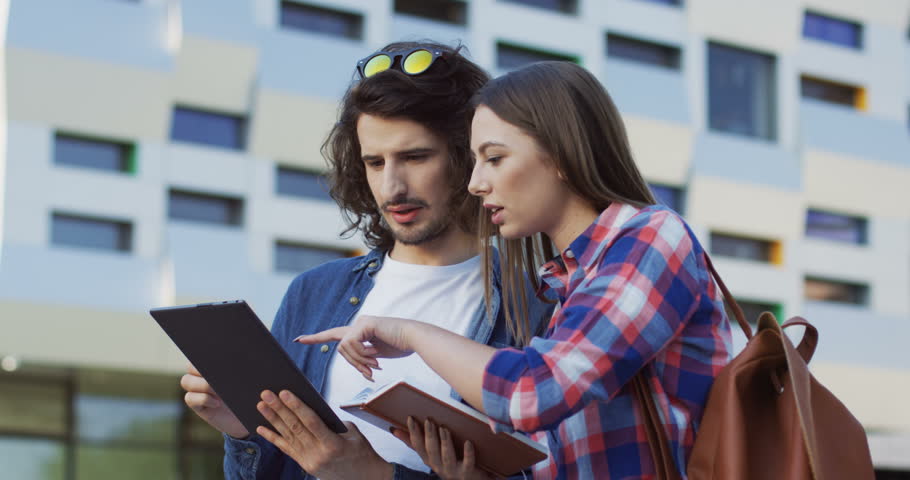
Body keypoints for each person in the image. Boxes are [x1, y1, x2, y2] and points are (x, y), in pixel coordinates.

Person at [299, 61, 733, 480]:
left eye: (495, 158)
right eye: (474, 160)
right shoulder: (565, 286)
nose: (475, 183)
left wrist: (409, 333)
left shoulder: (653, 239)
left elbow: (535, 392)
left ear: (561, 154)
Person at [179, 42, 552, 480]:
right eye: (374, 162)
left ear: (467, 156)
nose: (391, 186)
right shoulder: (315, 292)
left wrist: (376, 474)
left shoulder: (537, 304)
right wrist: (242, 431)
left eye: (415, 157)